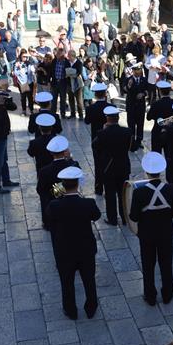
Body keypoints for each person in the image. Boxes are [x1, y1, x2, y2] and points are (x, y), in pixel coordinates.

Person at [46, 166, 101, 319]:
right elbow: (96, 216)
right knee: (89, 279)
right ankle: (91, 307)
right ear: (78, 184)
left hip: (64, 251)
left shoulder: (54, 205)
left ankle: (70, 310)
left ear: (63, 184)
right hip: (86, 249)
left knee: (67, 282)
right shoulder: (88, 203)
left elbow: (50, 219)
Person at [129, 152, 173, 306]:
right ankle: (168, 294)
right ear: (161, 171)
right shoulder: (171, 188)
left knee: (148, 265)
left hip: (147, 234)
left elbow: (134, 217)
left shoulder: (139, 192)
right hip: (166, 233)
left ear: (146, 172)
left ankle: (150, 295)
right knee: (166, 264)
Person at [92, 106, 132, 226]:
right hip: (123, 166)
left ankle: (112, 219)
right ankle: (125, 218)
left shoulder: (102, 133)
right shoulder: (127, 132)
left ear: (107, 118)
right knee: (123, 194)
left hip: (108, 168)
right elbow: (132, 147)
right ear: (118, 117)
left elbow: (95, 147)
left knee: (110, 194)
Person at [37, 135, 80, 231]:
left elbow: (41, 190)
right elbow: (78, 180)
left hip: (53, 205)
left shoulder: (44, 171)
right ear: (65, 151)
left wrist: (54, 192)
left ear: (51, 153)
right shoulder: (73, 165)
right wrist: (70, 159)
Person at [84, 82, 113, 195]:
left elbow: (87, 121)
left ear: (95, 95)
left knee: (98, 163)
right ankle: (109, 186)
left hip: (96, 139)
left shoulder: (91, 108)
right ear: (105, 94)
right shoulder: (111, 107)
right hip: (110, 139)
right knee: (110, 162)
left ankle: (98, 187)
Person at [147, 80, 173, 153]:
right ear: (169, 91)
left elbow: (148, 117)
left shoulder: (156, 104)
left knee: (156, 157)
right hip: (170, 132)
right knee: (169, 157)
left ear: (159, 91)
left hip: (157, 132)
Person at [26, 113, 57, 178]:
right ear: (51, 127)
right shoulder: (56, 141)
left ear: (39, 128)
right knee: (56, 187)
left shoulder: (34, 142)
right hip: (55, 169)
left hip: (41, 168)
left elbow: (30, 153)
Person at [125, 62, 147, 151]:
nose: (138, 72)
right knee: (131, 125)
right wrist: (129, 85)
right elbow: (124, 89)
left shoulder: (144, 79)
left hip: (141, 106)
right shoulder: (129, 79)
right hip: (131, 105)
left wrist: (143, 94)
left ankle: (139, 141)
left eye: (139, 70)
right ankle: (131, 142)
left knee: (140, 124)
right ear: (133, 71)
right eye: (136, 70)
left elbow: (148, 90)